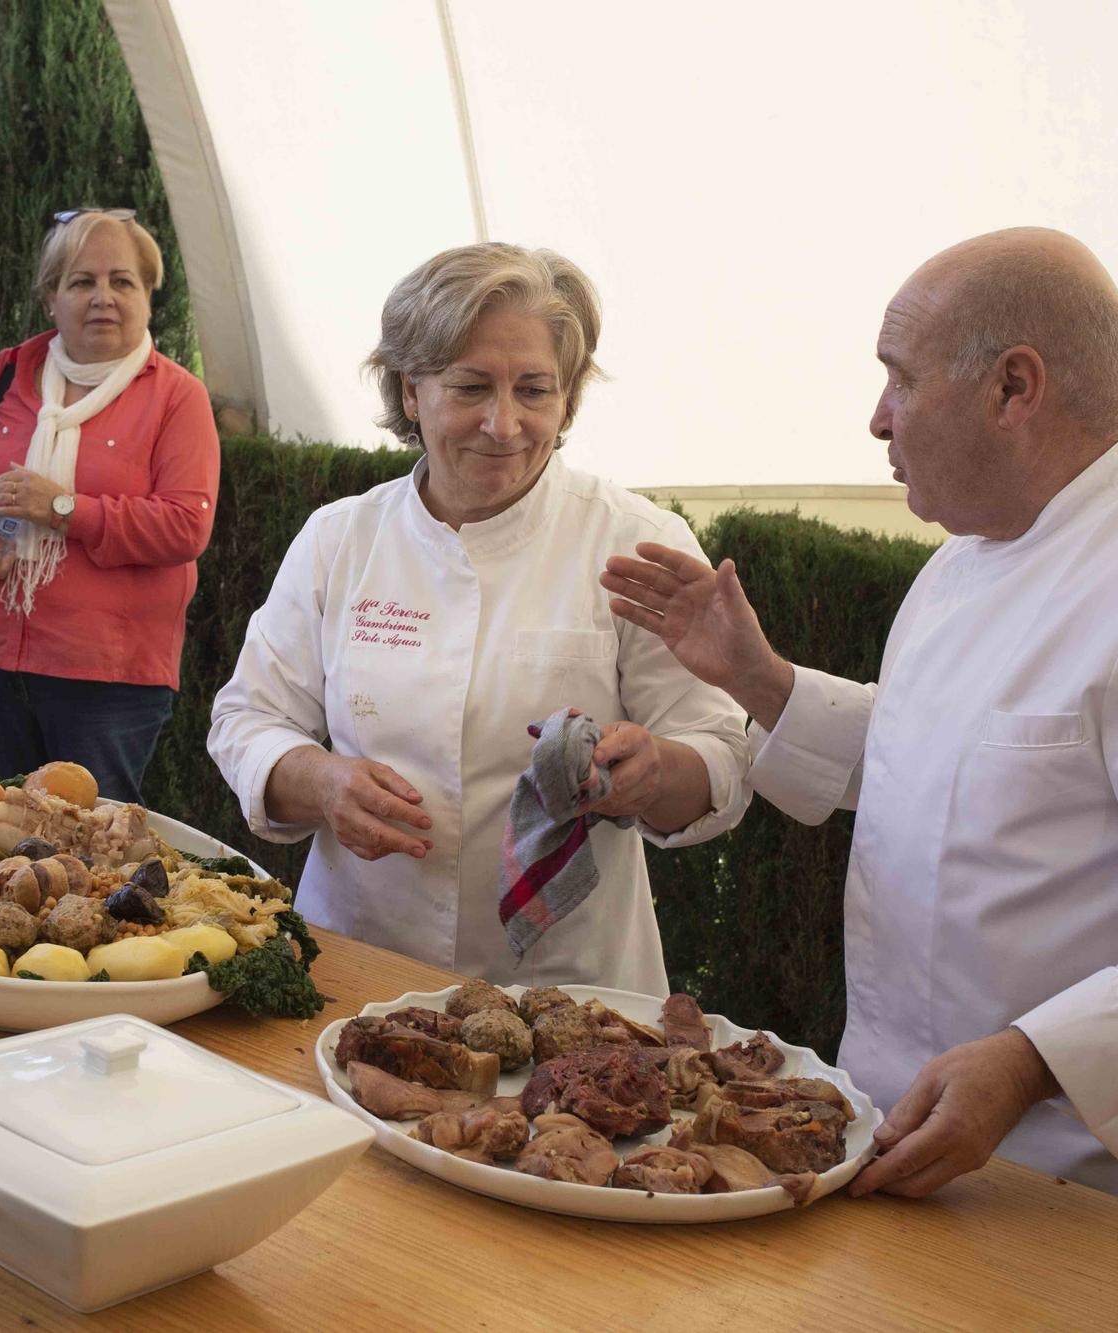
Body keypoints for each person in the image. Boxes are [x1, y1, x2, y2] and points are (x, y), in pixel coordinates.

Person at [602, 228, 1118, 1226]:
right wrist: (763, 681)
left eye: (900, 381)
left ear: (1013, 387)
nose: (876, 419)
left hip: (1079, 1182)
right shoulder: (972, 551)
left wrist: (1027, 1062)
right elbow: (950, 761)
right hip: (896, 1131)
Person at [209, 243, 749, 992]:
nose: (504, 424)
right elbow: (246, 718)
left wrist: (656, 773)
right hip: (359, 962)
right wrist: (320, 780)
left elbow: (718, 749)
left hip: (569, 988)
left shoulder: (632, 540)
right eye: (470, 387)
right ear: (409, 391)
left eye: (535, 389)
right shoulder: (343, 538)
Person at [0, 209, 217, 802]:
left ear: (148, 295)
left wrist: (62, 508)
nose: (103, 297)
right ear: (51, 297)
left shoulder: (177, 396)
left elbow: (185, 525)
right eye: (82, 282)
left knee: (88, 846)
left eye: (122, 281)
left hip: (108, 677)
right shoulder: (6, 372)